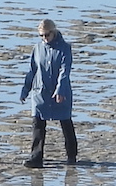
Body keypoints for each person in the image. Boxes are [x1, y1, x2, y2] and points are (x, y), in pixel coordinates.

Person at [19, 18, 78, 169]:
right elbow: (32, 70)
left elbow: (65, 71)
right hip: (40, 91)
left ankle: (71, 155)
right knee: (37, 123)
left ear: (54, 32)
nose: (45, 38)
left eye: (47, 35)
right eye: (42, 36)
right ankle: (36, 157)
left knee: (65, 122)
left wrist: (60, 90)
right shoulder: (37, 48)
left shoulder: (65, 48)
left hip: (60, 92)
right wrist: (25, 90)